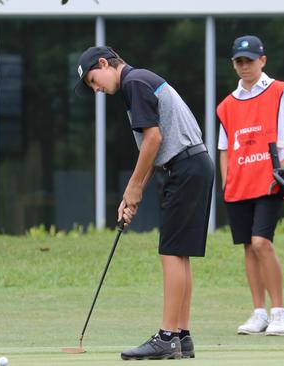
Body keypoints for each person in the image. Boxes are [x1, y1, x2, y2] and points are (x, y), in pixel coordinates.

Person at [74, 46, 214, 360]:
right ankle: (180, 336)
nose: (96, 90)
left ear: (103, 64)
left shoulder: (133, 83)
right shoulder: (139, 82)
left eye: (94, 82)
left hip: (186, 167)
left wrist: (134, 189)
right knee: (179, 254)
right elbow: (151, 149)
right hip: (194, 164)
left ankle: (166, 337)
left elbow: (154, 141)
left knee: (171, 252)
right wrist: (131, 195)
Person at [216, 35, 284, 336]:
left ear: (262, 60)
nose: (245, 66)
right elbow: (224, 148)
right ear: (233, 64)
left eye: (250, 60)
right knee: (249, 247)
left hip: (269, 179)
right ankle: (259, 313)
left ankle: (279, 313)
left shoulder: (281, 92)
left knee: (262, 242)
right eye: (239, 61)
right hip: (239, 183)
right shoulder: (226, 105)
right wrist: (226, 181)